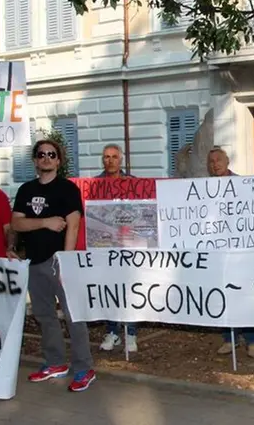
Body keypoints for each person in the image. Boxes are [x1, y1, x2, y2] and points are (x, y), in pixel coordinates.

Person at [11, 140, 96, 392]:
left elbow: (73, 224)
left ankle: (84, 368)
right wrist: (45, 222)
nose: (46, 158)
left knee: (74, 316)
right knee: (44, 315)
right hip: (33, 262)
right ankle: (56, 362)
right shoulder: (26, 190)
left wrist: (65, 260)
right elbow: (17, 223)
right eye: (41, 154)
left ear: (58, 160)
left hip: (59, 261)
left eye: (51, 154)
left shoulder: (67, 189)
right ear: (35, 160)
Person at [208, 146, 254, 357]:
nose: (215, 164)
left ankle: (252, 340)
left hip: (241, 251)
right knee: (223, 294)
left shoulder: (242, 185)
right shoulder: (201, 189)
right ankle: (229, 338)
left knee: (245, 294)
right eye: (211, 161)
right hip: (217, 252)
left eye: (219, 160)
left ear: (227, 161)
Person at [95, 144, 140, 353]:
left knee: (130, 289)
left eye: (114, 157)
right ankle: (112, 331)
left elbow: (142, 211)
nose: (110, 160)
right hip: (104, 245)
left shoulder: (132, 183)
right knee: (109, 289)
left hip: (128, 245)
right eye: (106, 157)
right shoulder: (94, 184)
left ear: (120, 159)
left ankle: (130, 333)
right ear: (102, 160)